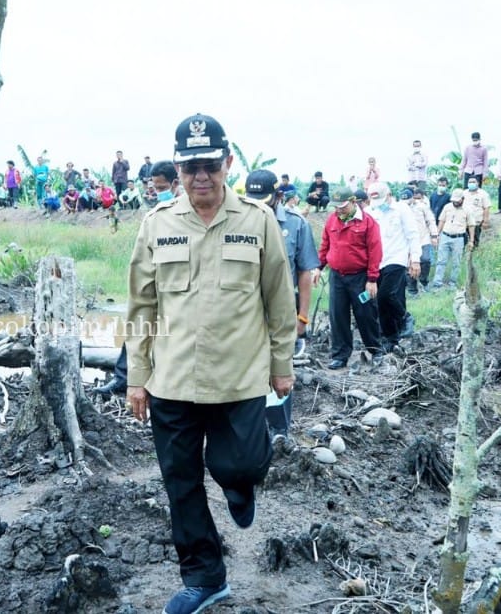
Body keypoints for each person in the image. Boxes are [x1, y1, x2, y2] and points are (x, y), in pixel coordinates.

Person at [125, 113, 297, 614]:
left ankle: (241, 486)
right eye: (189, 167)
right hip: (172, 380)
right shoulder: (157, 224)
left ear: (227, 163)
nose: (200, 177)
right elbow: (142, 306)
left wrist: (281, 364)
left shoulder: (257, 220)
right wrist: (137, 377)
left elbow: (278, 298)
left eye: (209, 165)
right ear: (178, 170)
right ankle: (204, 578)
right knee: (180, 482)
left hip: (239, 377)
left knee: (236, 463)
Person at [244, 169, 320, 437]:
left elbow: (304, 273)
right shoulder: (238, 221)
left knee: (280, 367)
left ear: (278, 196)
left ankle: (279, 433)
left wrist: (302, 317)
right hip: (245, 313)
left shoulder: (296, 224)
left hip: (281, 312)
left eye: (264, 201)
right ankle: (250, 431)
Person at [315, 187, 384, 370]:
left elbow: (375, 251)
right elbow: (325, 245)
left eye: (343, 207)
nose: (339, 210)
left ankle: (375, 350)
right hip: (337, 276)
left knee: (366, 313)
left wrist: (372, 279)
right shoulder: (332, 220)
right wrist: (318, 267)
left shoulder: (368, 223)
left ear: (353, 202)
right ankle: (340, 355)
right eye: (336, 207)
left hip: (360, 277)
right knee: (338, 315)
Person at [365, 183, 420, 345]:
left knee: (385, 294)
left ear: (389, 195)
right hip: (377, 261)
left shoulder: (402, 209)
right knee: (384, 300)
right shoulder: (369, 212)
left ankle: (405, 317)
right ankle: (391, 336)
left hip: (396, 257)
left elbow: (412, 234)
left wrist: (415, 259)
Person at [432, 189, 475, 289]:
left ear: (462, 199)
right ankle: (437, 283)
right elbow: (441, 221)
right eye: (454, 200)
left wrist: (471, 241)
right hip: (445, 236)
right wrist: (437, 235)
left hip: (458, 239)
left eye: (457, 200)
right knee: (441, 261)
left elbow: (471, 225)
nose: (455, 202)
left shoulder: (467, 210)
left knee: (456, 262)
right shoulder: (447, 207)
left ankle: (452, 283)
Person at [404, 187, 437, 295]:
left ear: (412, 197)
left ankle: (423, 281)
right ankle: (412, 289)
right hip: (408, 241)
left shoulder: (422, 207)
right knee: (409, 265)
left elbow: (431, 221)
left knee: (425, 260)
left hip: (423, 239)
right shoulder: (400, 208)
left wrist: (434, 236)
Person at [461, 178, 491, 247]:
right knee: (463, 241)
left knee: (474, 241)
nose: (471, 183)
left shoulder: (483, 194)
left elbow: (486, 208)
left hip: (476, 222)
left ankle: (473, 252)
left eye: (473, 182)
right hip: (464, 221)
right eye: (470, 182)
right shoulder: (464, 193)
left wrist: (485, 221)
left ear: (478, 183)